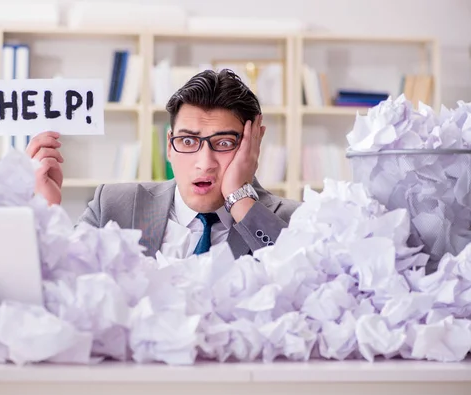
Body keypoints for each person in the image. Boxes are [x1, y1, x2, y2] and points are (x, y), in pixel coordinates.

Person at [26, 69, 301, 259]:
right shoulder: (113, 206)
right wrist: (46, 209)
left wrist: (239, 199)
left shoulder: (294, 221)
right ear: (169, 144)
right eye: (189, 142)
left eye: (225, 143)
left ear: (254, 143)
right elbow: (65, 286)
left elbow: (304, 281)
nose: (204, 164)